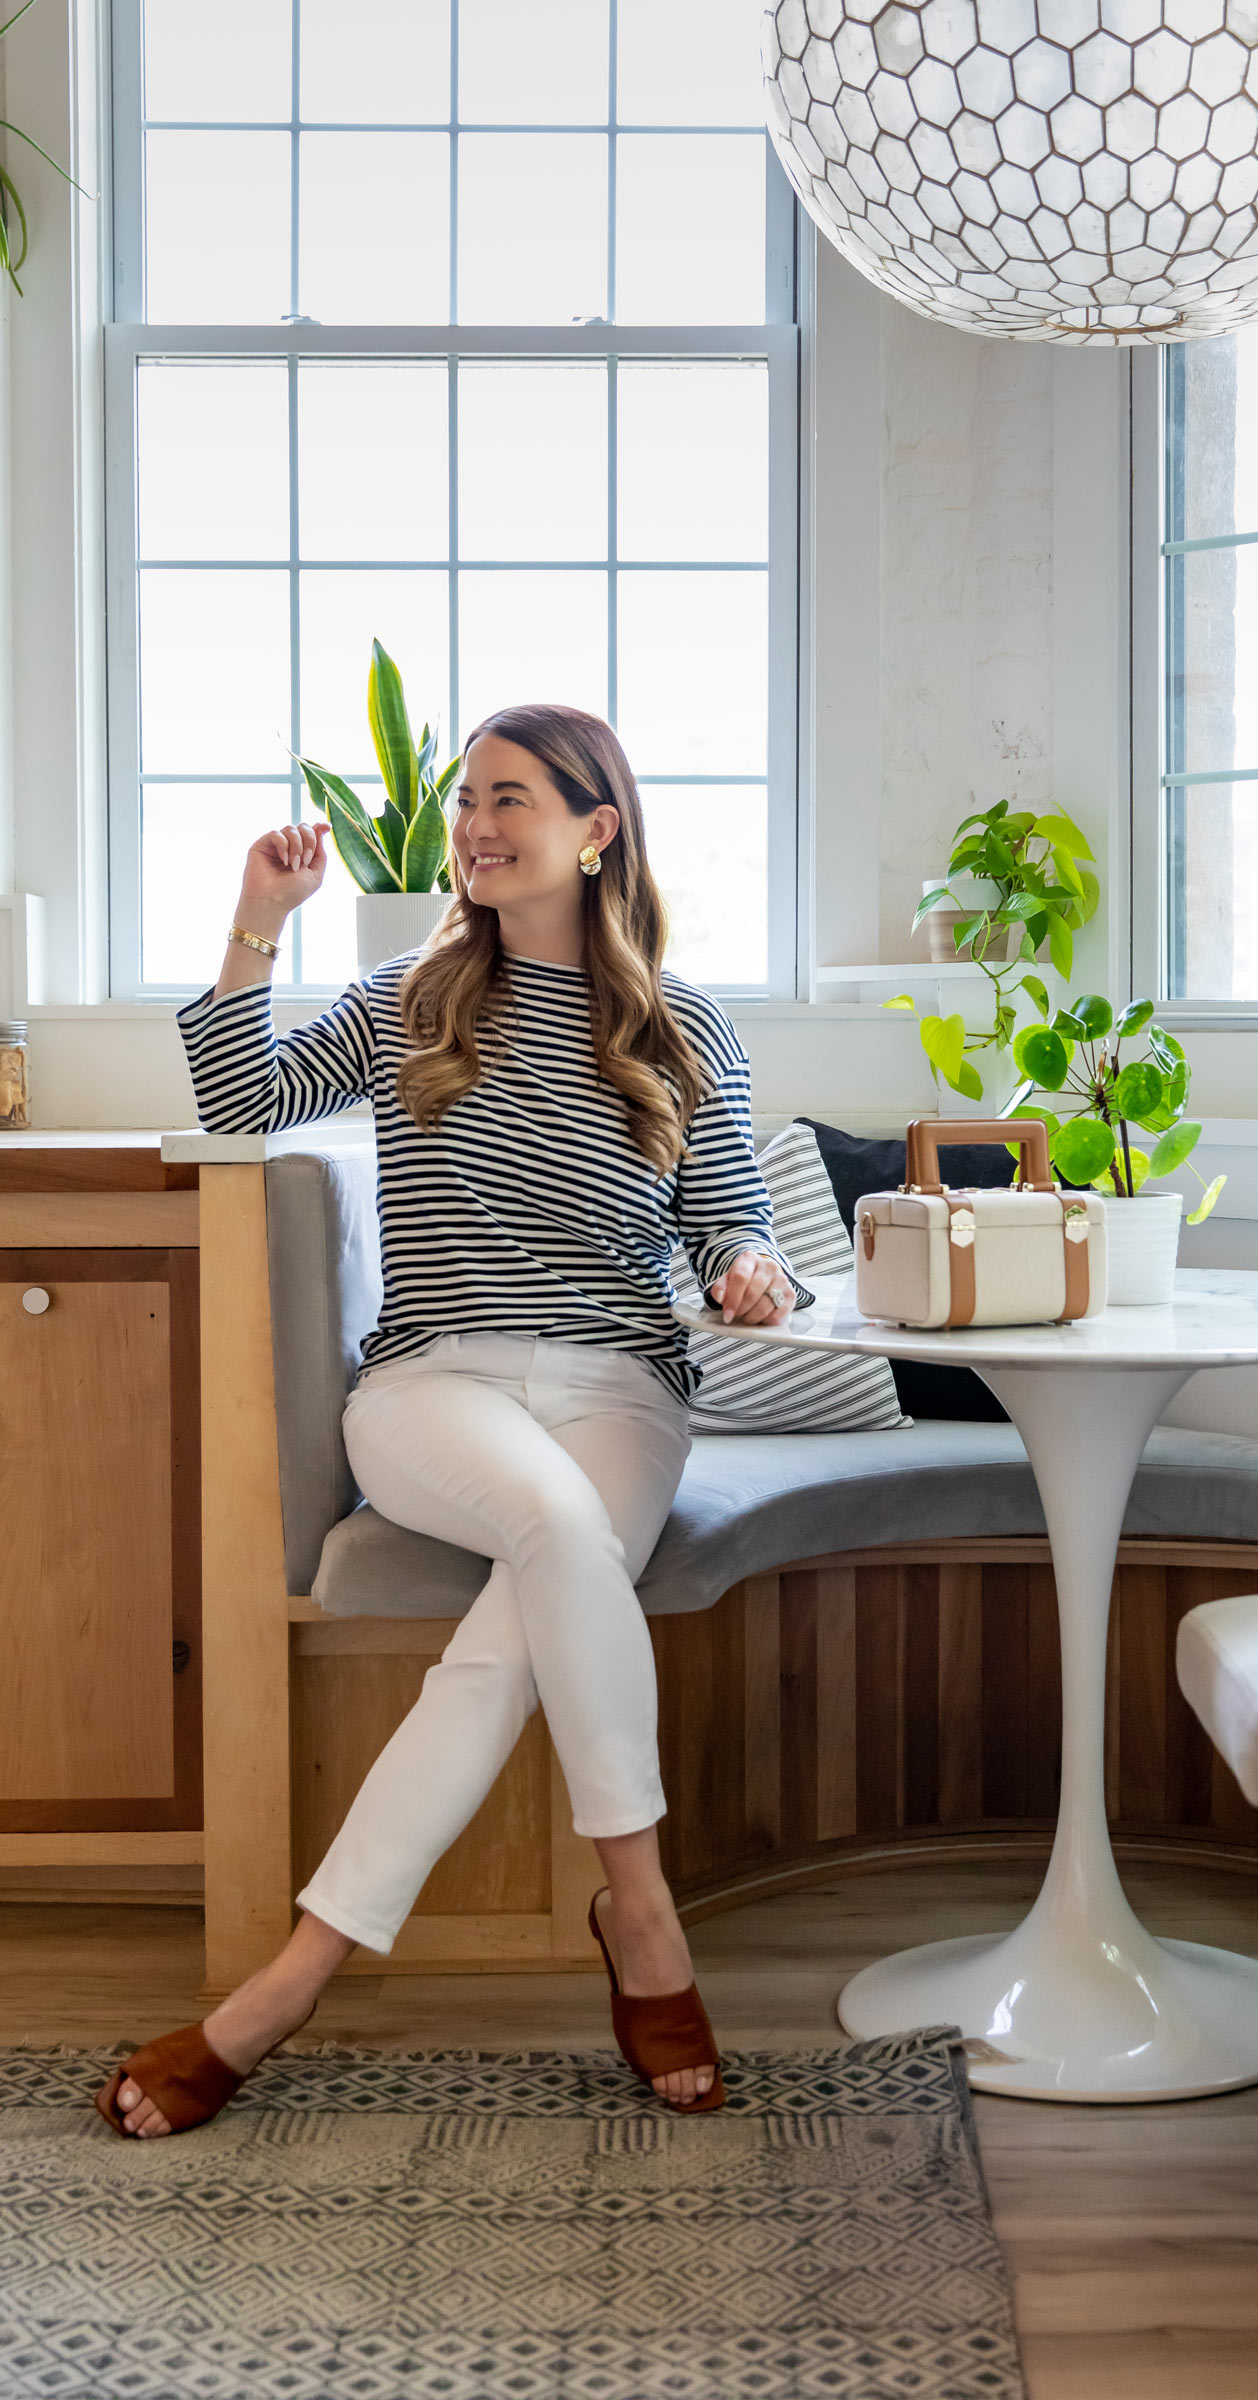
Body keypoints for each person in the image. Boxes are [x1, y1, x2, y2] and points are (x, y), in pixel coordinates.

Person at [96, 703, 806, 2138]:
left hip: (623, 1390)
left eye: (512, 797)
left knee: (507, 1639)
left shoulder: (683, 1022)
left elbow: (738, 1220)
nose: (476, 823)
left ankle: (286, 1986)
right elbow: (243, 1105)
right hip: (435, 1383)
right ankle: (646, 1914)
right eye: (470, 798)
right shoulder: (408, 995)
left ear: (597, 830)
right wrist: (256, 919)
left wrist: (751, 1272)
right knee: (551, 1529)